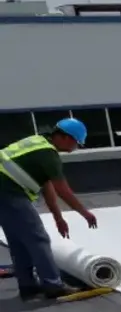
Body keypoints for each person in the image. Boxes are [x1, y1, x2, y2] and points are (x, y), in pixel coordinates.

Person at [0, 118, 97, 301]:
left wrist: (58, 218)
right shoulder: (48, 155)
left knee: (19, 241)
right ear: (66, 138)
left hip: (4, 192)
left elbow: (48, 188)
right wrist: (85, 213)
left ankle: (28, 286)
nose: (75, 148)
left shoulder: (38, 144)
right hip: (7, 191)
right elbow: (63, 190)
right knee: (38, 238)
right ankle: (53, 285)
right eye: (77, 143)